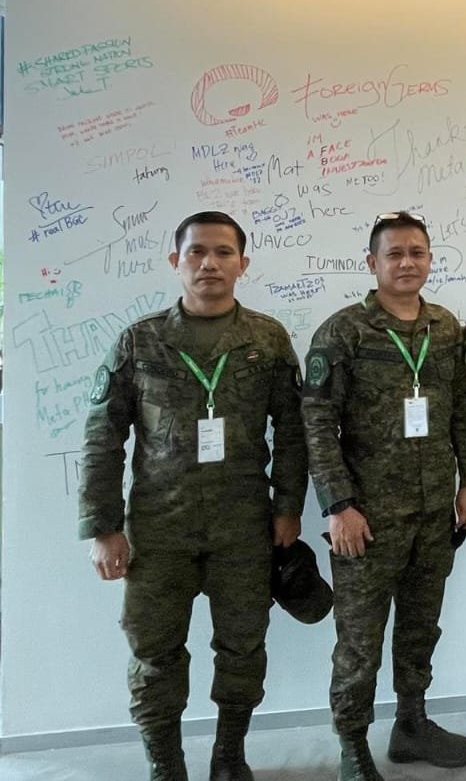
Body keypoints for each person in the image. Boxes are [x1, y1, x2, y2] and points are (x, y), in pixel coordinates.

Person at [79, 210, 308, 781]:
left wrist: (288, 508)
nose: (210, 263)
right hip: (159, 528)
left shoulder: (268, 339)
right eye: (197, 252)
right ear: (175, 262)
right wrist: (104, 527)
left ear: (243, 264)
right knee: (155, 655)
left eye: (224, 253)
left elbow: (296, 429)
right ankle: (166, 766)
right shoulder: (142, 340)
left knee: (242, 648)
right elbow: (102, 436)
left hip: (244, 527)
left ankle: (229, 757)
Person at [301, 211, 466, 781]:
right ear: (372, 263)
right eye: (394, 254)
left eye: (417, 253)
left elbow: (462, 407)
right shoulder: (345, 331)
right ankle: (353, 747)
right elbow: (316, 422)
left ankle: (412, 724)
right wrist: (338, 506)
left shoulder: (446, 327)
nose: (407, 263)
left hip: (434, 514)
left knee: (420, 627)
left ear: (430, 259)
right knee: (358, 642)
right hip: (366, 518)